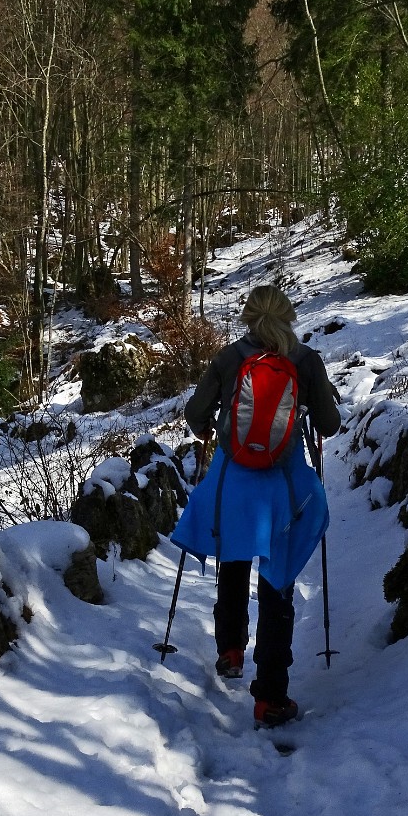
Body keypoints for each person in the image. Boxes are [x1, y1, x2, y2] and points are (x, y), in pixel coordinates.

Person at [169, 285, 341, 728]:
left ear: (247, 317)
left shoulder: (229, 359)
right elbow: (330, 424)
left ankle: (230, 649)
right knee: (276, 582)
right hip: (282, 489)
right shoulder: (305, 360)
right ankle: (270, 697)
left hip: (233, 483)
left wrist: (216, 425)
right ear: (289, 316)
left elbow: (194, 416)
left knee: (233, 561)